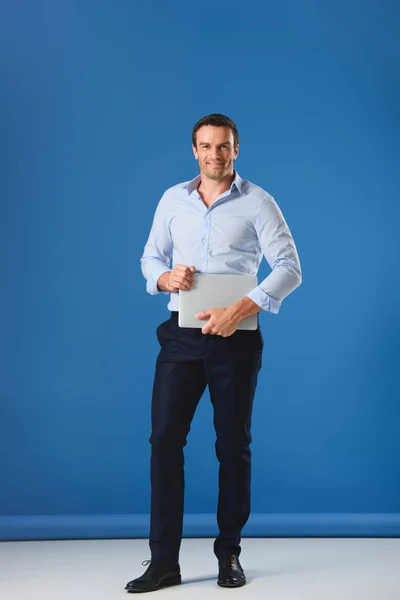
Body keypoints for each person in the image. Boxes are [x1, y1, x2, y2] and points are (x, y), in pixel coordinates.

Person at [125, 114, 302, 593]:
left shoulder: (259, 202)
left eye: (223, 147)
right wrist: (164, 278)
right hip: (180, 338)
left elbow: (289, 268)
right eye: (205, 147)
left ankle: (229, 555)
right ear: (194, 151)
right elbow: (150, 257)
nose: (214, 155)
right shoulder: (172, 200)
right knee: (164, 441)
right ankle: (164, 561)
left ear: (236, 150)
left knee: (232, 447)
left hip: (236, 340)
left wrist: (241, 308)